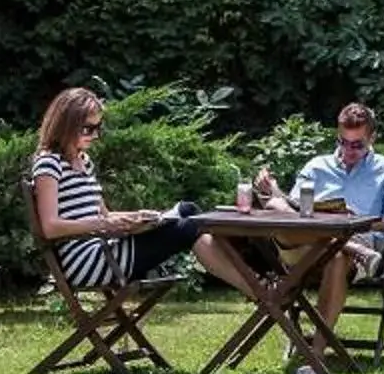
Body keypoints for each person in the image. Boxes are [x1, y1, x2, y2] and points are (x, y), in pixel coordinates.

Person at [30, 87, 258, 299]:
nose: (95, 135)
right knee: (191, 227)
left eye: (98, 128)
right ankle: (257, 288)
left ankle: (254, 284)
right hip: (86, 262)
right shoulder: (49, 164)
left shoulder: (84, 162)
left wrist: (136, 218)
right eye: (88, 129)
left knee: (188, 210)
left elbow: (105, 215)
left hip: (103, 248)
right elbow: (50, 227)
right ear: (67, 124)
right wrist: (103, 225)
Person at [258, 100, 384, 352]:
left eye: (358, 144)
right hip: (305, 250)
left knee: (338, 257)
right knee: (276, 206)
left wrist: (360, 223)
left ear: (372, 137)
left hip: (350, 251)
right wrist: (274, 191)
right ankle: (353, 248)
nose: (349, 150)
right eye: (343, 142)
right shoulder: (317, 166)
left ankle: (316, 354)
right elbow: (295, 210)